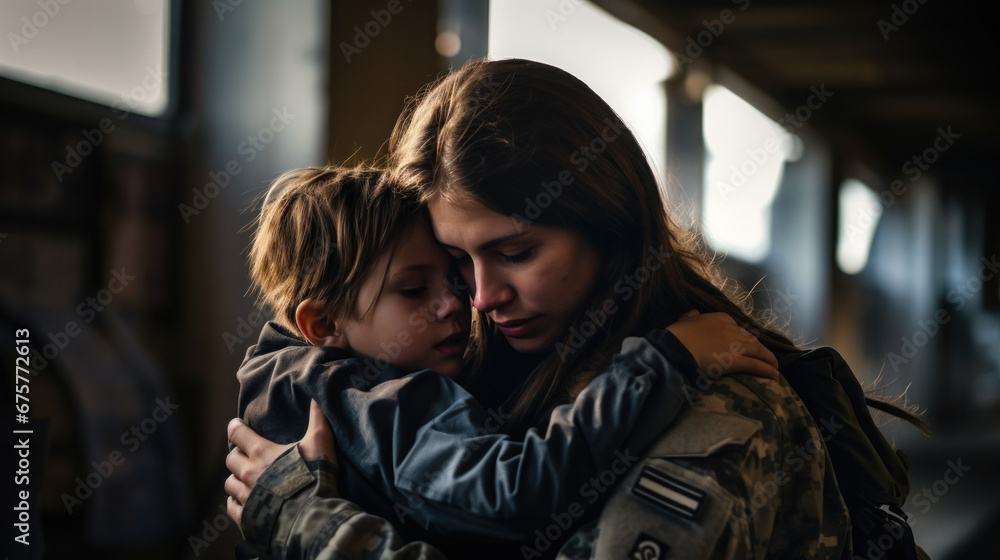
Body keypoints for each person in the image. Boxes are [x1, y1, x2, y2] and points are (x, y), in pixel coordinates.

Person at [227, 58, 928, 559]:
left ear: (606, 221)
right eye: (454, 263)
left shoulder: (719, 407)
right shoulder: (453, 370)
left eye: (515, 252)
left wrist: (305, 522)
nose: (478, 296)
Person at [229, 163, 779, 556]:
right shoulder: (375, 399)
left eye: (452, 278)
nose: (463, 303)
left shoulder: (280, 380)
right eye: (413, 290)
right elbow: (516, 489)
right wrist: (663, 363)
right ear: (321, 325)